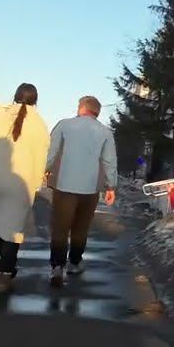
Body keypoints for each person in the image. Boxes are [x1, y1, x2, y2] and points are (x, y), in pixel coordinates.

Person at [0, 83, 50, 294]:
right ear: (36, 100)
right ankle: (5, 271)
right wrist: (35, 182)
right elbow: (42, 158)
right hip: (22, 182)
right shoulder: (39, 124)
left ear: (15, 96)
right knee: (13, 228)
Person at [44, 95, 117, 288]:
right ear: (97, 112)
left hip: (64, 185)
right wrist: (111, 186)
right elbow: (109, 161)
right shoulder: (105, 132)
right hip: (90, 188)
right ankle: (74, 262)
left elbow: (51, 152)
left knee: (60, 227)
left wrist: (44, 169)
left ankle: (57, 267)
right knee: (81, 228)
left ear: (82, 108)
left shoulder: (64, 125)